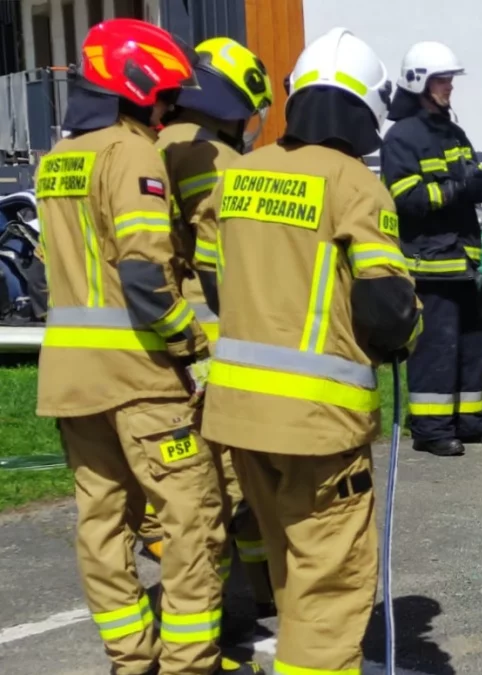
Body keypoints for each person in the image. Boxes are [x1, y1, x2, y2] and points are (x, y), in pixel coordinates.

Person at [193, 27, 422, 675]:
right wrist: (410, 322)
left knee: (294, 575)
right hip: (318, 427)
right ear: (366, 110)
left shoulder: (239, 176)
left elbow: (214, 281)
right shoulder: (354, 184)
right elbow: (385, 313)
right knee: (332, 587)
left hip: (238, 416)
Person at [35, 18, 255, 675]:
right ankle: (192, 662)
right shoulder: (130, 153)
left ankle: (131, 660)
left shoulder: (56, 160)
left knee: (101, 520)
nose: (166, 112)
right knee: (193, 517)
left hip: (70, 380)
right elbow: (142, 275)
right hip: (139, 377)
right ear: (137, 90)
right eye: (162, 97)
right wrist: (188, 342)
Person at [150, 35, 276, 626]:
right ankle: (219, 616)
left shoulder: (151, 142)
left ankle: (249, 594)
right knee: (228, 483)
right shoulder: (213, 158)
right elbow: (222, 262)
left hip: (155, 337)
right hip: (210, 341)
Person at [380, 41, 482, 457]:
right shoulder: (402, 137)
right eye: (442, 80)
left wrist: (481, 185)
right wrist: (457, 188)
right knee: (435, 348)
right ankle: (432, 429)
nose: (449, 87)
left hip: (464, 258)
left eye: (451, 79)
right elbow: (407, 199)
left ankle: (469, 421)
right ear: (418, 82)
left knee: (471, 345)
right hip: (429, 262)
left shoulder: (453, 132)